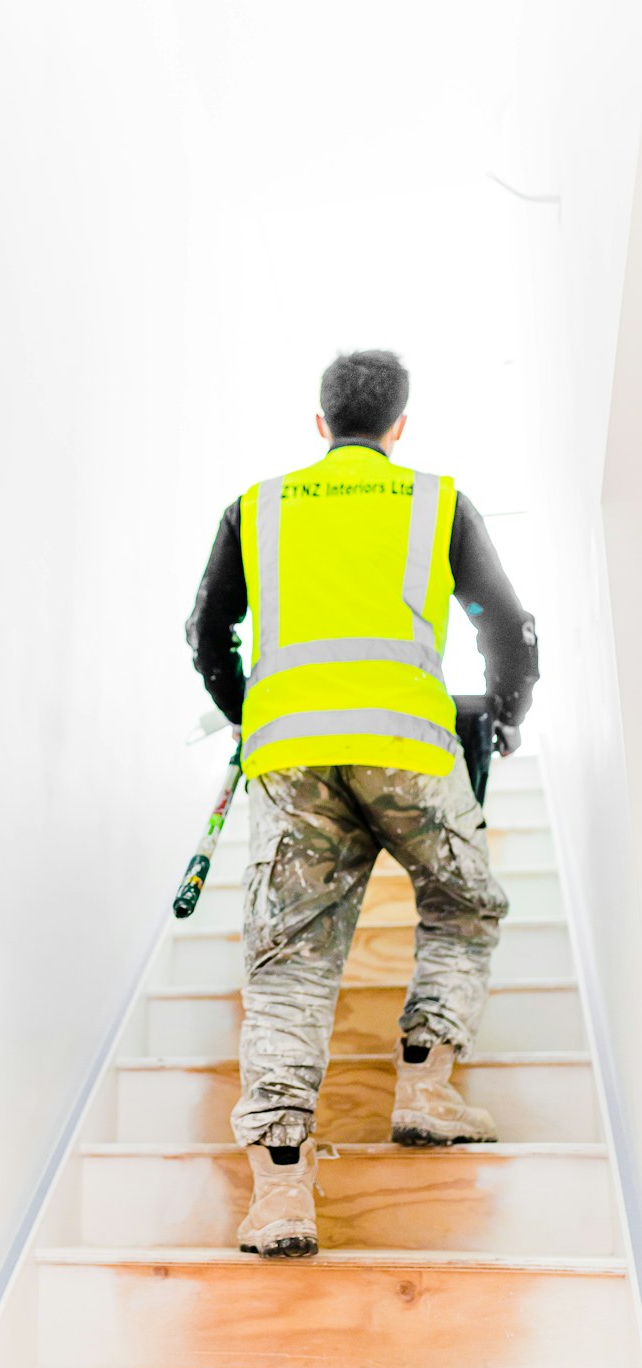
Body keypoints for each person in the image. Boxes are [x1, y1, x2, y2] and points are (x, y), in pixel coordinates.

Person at [185, 350, 539, 1259]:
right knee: (463, 904)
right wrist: (502, 716)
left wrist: (249, 717)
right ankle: (424, 1091)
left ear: (319, 423)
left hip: (291, 761)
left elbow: (205, 631)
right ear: (399, 426)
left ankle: (280, 1198)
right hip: (410, 749)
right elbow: (505, 623)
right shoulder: (434, 501)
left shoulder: (257, 507)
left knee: (292, 964)